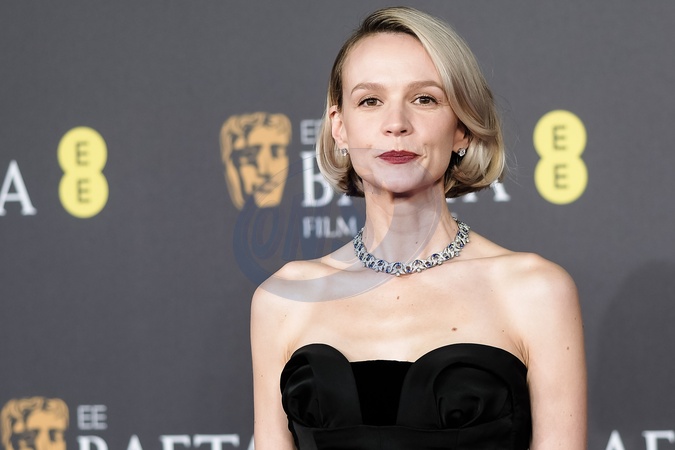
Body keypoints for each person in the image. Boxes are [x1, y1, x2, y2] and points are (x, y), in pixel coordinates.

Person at [250, 6, 586, 449]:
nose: (396, 124)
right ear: (339, 128)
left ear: (462, 128)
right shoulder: (284, 299)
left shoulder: (534, 291)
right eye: (370, 101)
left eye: (424, 99)